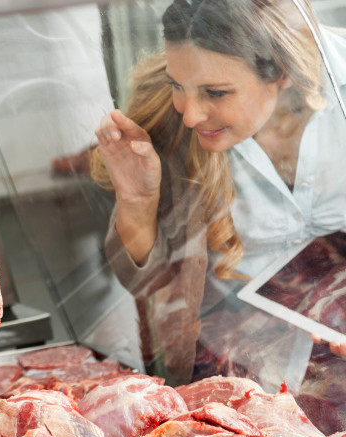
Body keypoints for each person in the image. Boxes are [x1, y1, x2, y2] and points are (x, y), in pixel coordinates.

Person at [90, 0, 346, 384]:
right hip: (237, 368)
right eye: (178, 85)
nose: (190, 114)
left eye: (216, 92)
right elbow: (150, 286)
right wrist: (136, 203)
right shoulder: (168, 122)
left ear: (283, 72)